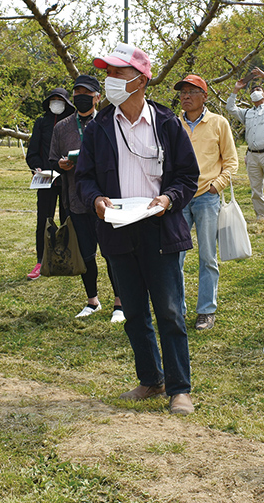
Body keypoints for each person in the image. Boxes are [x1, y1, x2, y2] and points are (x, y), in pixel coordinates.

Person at [76, 42, 200, 415]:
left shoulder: (166, 124)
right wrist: (96, 199)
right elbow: (84, 178)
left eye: (118, 73)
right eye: (108, 73)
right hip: (117, 230)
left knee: (170, 311)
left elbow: (187, 176)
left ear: (141, 80)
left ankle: (180, 388)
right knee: (133, 311)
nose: (110, 80)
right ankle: (151, 379)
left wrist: (168, 199)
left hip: (159, 229)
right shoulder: (98, 127)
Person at [47, 75, 124, 321]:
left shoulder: (108, 122)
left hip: (107, 200)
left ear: (98, 96)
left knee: (112, 253)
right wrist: (61, 164)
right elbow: (53, 160)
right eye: (77, 93)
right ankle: (92, 301)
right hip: (76, 200)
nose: (81, 97)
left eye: (87, 94)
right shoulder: (62, 127)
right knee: (85, 254)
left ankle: (120, 304)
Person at [175, 74, 238, 331]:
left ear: (205, 96)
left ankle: (206, 311)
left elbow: (231, 161)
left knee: (207, 257)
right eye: (182, 92)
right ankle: (176, 310)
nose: (185, 96)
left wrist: (217, 186)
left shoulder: (218, 123)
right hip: (178, 199)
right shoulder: (172, 124)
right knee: (174, 258)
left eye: (192, 91)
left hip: (206, 197)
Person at [226, 67, 264, 220]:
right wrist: (235, 90)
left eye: (258, 90)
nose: (255, 91)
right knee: (256, 190)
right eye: (253, 90)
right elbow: (230, 108)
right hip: (253, 155)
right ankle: (261, 217)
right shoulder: (247, 113)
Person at [25, 87, 75, 279]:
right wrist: (37, 167)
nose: (56, 103)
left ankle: (68, 257)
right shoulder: (41, 122)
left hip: (67, 179)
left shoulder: (72, 122)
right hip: (46, 180)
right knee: (43, 221)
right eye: (53, 99)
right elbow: (33, 152)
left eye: (59, 99)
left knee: (67, 219)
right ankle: (41, 260)